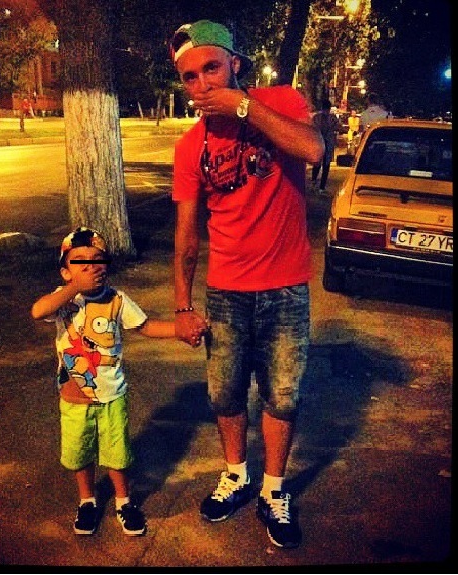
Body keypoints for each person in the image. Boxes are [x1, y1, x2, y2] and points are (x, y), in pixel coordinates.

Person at [169, 20, 324, 549]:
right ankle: (236, 474)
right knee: (225, 392)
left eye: (211, 68)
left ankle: (274, 490)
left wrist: (243, 107)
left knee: (282, 394)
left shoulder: (280, 101)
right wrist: (182, 305)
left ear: (235, 64)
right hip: (227, 290)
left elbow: (313, 149)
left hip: (285, 285)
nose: (202, 84)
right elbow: (186, 233)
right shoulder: (190, 147)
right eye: (190, 77)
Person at [31, 227, 176, 537]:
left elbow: (146, 327)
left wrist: (182, 330)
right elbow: (38, 311)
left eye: (97, 259)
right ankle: (87, 501)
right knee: (80, 452)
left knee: (117, 453)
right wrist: (73, 288)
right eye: (79, 261)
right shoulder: (64, 300)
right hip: (74, 398)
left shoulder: (116, 299)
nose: (89, 266)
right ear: (65, 271)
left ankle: (124, 501)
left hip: (112, 395)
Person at [310, 99, 341, 195]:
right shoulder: (333, 118)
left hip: (318, 142)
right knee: (326, 165)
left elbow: (311, 128)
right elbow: (338, 127)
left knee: (317, 162)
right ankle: (321, 187)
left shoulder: (316, 117)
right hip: (328, 143)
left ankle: (314, 182)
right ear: (329, 108)